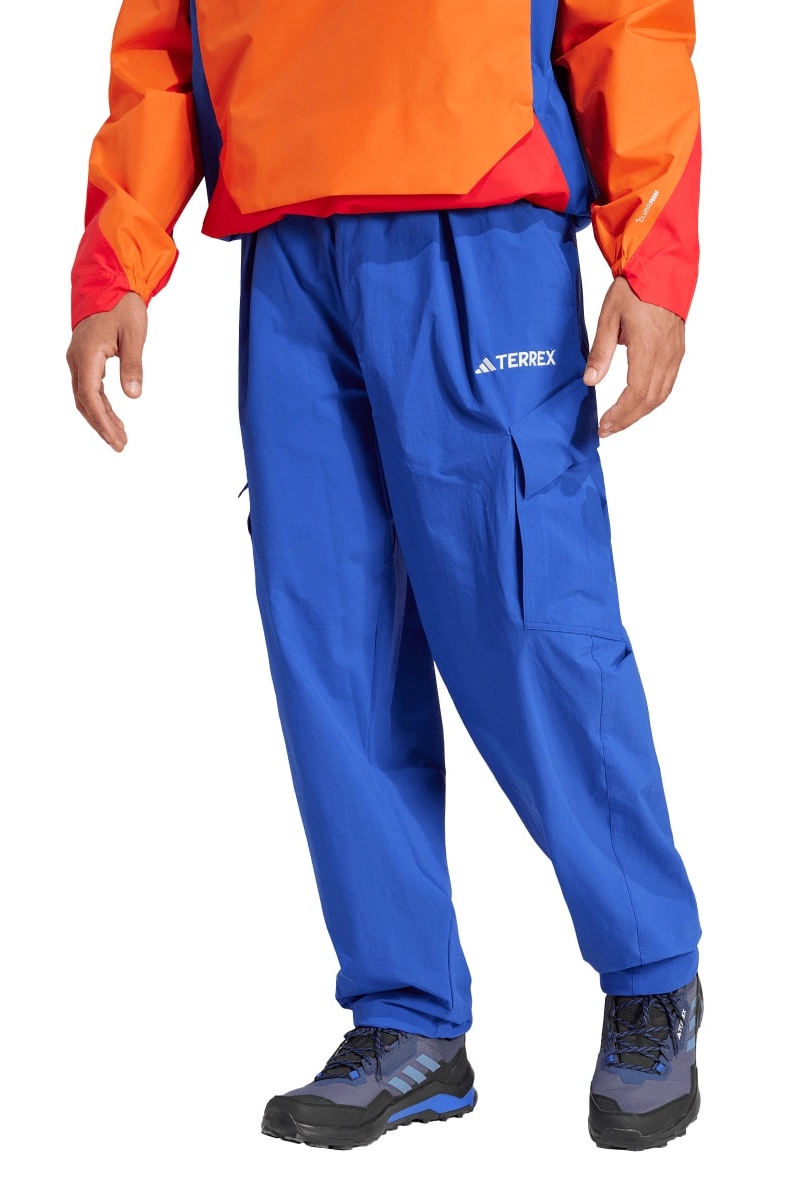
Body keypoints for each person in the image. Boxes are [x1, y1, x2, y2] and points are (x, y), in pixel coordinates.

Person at [66, 0, 704, 1152]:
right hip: (289, 237)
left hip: (477, 215)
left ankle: (651, 974)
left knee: (526, 622)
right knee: (332, 644)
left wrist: (650, 253)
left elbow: (627, 20)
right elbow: (166, 40)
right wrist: (121, 260)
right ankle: (406, 1019)